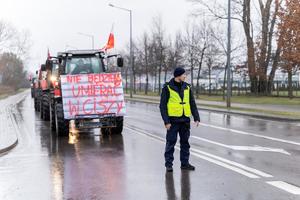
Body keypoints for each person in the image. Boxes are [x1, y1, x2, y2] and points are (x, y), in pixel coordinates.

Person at [160, 67, 200, 172]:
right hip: (173, 121)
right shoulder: (167, 87)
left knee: (185, 143)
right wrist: (166, 121)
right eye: (183, 74)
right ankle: (169, 164)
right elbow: (162, 106)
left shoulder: (187, 87)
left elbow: (192, 103)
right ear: (178, 75)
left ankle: (185, 164)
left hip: (185, 120)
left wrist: (196, 117)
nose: (185, 76)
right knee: (170, 143)